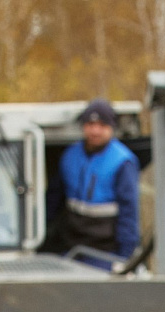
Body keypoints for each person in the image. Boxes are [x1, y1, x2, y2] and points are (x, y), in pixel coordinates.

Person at [43, 98, 140, 264]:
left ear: (111, 128)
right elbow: (52, 200)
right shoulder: (69, 156)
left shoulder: (122, 162)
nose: (95, 131)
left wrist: (125, 257)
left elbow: (129, 212)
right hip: (70, 247)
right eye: (90, 124)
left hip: (105, 251)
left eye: (102, 125)